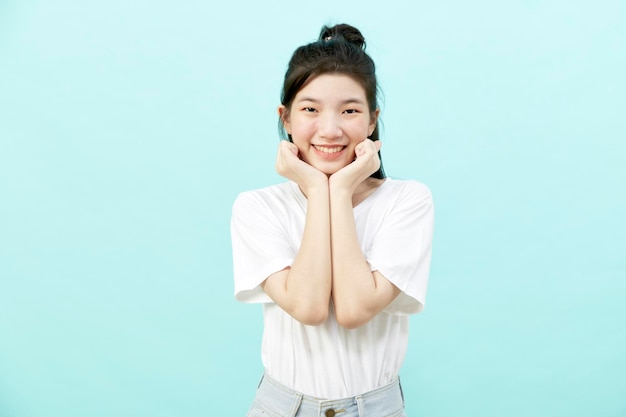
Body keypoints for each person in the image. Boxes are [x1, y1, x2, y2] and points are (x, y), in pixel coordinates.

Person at [231, 23, 434, 417]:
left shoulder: (408, 200)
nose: (330, 128)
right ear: (285, 118)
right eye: (310, 109)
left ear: (372, 120)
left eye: (350, 110)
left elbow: (356, 309)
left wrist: (338, 190)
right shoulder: (257, 207)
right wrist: (315, 185)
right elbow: (307, 306)